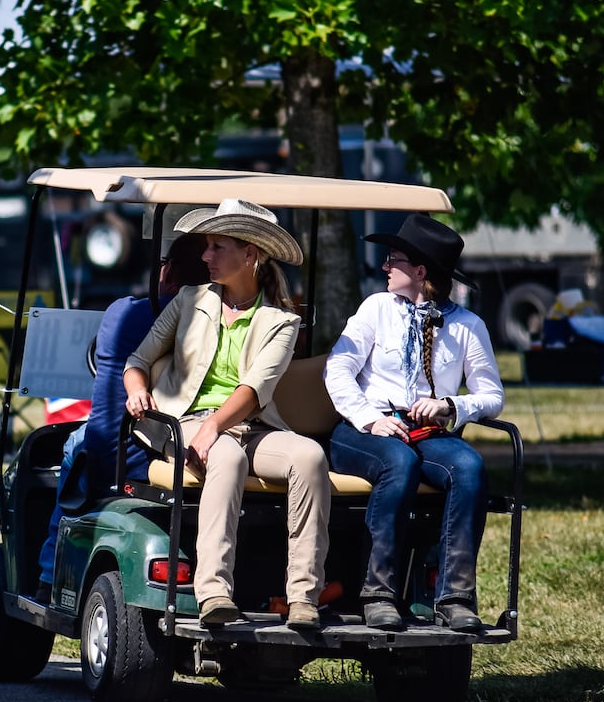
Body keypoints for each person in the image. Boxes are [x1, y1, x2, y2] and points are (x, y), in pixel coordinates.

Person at [123, 199, 329, 630]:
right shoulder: (189, 299)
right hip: (187, 422)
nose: (205, 256)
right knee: (228, 457)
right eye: (207, 246)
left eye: (217, 247)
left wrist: (216, 427)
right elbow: (138, 360)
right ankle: (214, 592)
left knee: (309, 455)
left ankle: (304, 597)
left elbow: (256, 390)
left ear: (250, 255)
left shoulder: (281, 321)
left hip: (245, 425)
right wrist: (138, 390)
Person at [323, 214, 504, 633]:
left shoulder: (466, 326)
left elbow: (492, 396)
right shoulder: (376, 308)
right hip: (363, 430)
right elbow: (338, 369)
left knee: (470, 467)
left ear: (420, 271)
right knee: (397, 461)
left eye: (394, 259)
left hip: (427, 433)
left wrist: (449, 405)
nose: (385, 266)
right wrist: (370, 420)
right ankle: (378, 593)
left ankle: (456, 597)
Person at [35, 233, 211, 604]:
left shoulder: (127, 313)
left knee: (73, 444)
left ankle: (49, 572)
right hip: (182, 441)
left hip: (127, 451)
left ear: (168, 272)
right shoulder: (226, 318)